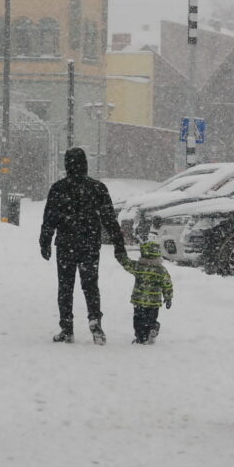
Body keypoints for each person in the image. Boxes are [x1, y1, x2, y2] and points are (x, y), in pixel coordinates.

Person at [39, 147, 126, 345]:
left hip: (66, 244)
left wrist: (45, 242)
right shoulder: (97, 188)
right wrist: (118, 243)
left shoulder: (59, 188)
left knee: (65, 286)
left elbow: (49, 218)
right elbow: (109, 219)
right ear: (85, 164)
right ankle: (95, 321)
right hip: (89, 243)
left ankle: (66, 327)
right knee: (90, 285)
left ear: (66, 165)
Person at [115, 240, 174, 345]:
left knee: (139, 321)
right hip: (154, 303)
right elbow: (167, 283)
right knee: (151, 319)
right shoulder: (161, 270)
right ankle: (153, 327)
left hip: (139, 301)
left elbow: (126, 263)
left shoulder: (138, 267)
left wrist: (120, 255)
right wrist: (168, 297)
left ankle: (141, 338)